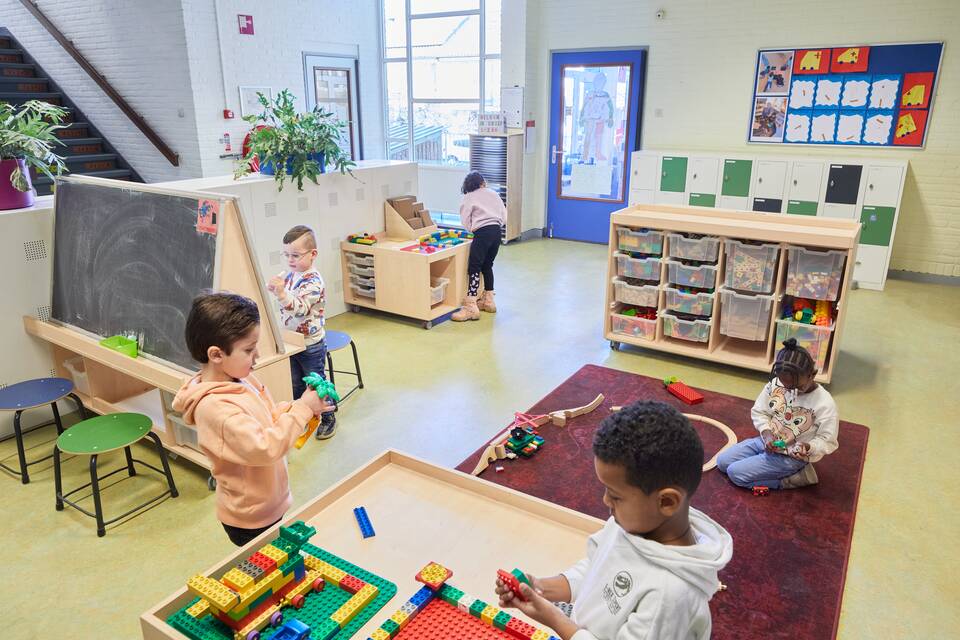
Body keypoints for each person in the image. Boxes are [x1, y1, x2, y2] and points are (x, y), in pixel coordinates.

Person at [496, 401, 733, 640]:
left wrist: (555, 620)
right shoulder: (633, 522)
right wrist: (542, 587)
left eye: (616, 495)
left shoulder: (669, 595)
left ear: (667, 502)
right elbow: (597, 567)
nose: (606, 501)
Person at [172, 293, 332, 546]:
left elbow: (266, 417)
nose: (256, 355)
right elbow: (265, 447)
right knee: (268, 574)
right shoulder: (217, 409)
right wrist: (302, 409)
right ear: (216, 355)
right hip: (251, 518)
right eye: (248, 349)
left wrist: (298, 407)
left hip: (267, 503)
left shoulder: (238, 378)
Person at [717, 338, 839, 490]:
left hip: (791, 457)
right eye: (785, 386)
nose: (790, 391)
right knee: (722, 462)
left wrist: (807, 447)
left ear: (812, 375)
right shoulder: (777, 383)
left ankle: (794, 478)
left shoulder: (824, 403)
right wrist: (767, 434)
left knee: (735, 474)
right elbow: (760, 411)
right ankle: (764, 462)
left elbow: (828, 441)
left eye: (798, 387)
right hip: (767, 442)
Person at [266, 225, 337, 439]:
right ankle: (304, 415)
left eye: (295, 255)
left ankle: (328, 417)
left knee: (315, 382)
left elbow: (301, 309)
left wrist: (281, 294)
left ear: (313, 254)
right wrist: (275, 288)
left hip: (311, 343)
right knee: (296, 384)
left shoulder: (313, 281)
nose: (290, 260)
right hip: (291, 341)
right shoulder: (290, 275)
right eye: (286, 255)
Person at [451, 172, 506, 322]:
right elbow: (503, 214)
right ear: (482, 183)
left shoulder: (469, 197)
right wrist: (496, 225)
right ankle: (489, 301)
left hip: (482, 232)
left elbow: (465, 219)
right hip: (496, 232)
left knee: (474, 267)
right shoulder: (493, 194)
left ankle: (470, 306)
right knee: (487, 265)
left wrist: (472, 229)